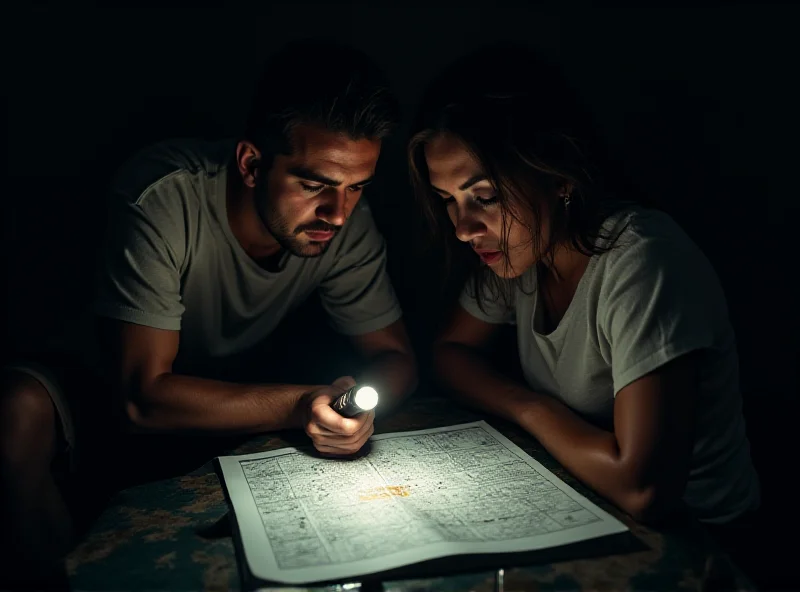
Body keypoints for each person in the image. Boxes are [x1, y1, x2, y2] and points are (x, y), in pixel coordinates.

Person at [0, 39, 417, 584]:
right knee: (13, 410)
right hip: (99, 387)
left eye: (356, 187)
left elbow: (396, 360)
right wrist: (304, 404)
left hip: (234, 384)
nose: (337, 213)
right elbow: (142, 398)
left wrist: (352, 411)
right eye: (313, 184)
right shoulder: (163, 195)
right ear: (250, 163)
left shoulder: (344, 226)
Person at [408, 44, 760, 537]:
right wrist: (524, 404)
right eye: (449, 200)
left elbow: (646, 490)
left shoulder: (642, 261)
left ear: (556, 175)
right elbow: (448, 353)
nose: (464, 227)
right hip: (591, 503)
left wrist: (537, 411)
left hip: (705, 539)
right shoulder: (520, 252)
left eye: (484, 196)